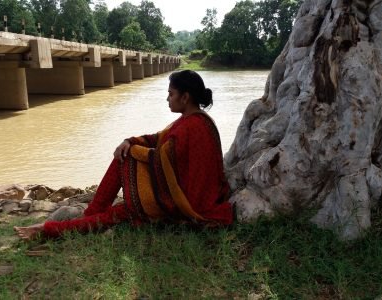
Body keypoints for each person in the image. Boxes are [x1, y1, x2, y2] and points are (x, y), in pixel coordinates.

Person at [14, 70, 233, 241]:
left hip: (184, 202)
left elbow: (161, 158)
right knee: (119, 210)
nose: (167, 99)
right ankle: (62, 225)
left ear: (185, 97)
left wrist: (131, 151)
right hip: (187, 193)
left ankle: (55, 227)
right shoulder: (199, 120)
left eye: (171, 94)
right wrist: (130, 141)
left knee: (124, 167)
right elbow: (158, 138)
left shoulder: (190, 126)